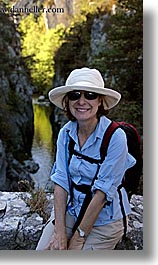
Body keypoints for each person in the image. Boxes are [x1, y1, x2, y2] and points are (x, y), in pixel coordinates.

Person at [36, 67, 136, 250]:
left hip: (105, 220)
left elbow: (103, 192)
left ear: (100, 101)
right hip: (72, 210)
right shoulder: (66, 133)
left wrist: (79, 236)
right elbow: (61, 182)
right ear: (67, 101)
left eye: (90, 94)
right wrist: (59, 232)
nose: (82, 101)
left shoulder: (115, 137)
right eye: (75, 95)